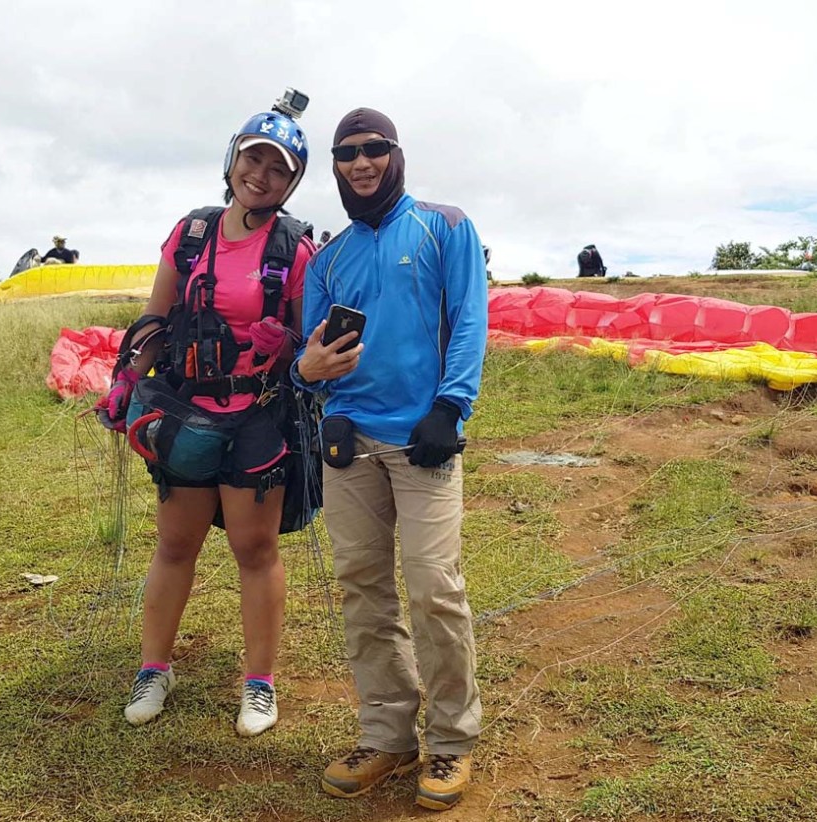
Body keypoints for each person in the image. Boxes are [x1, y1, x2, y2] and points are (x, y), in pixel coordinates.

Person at [291, 108, 487, 811]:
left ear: (395, 154)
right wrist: (314, 381)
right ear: (336, 167)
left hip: (425, 441)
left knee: (435, 587)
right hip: (349, 445)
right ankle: (386, 736)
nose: (361, 162)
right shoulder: (329, 258)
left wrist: (450, 406)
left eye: (374, 149)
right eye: (347, 153)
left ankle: (453, 740)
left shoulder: (445, 227)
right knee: (363, 589)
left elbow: (469, 319)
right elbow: (309, 353)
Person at [98, 104, 314, 738]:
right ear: (232, 160)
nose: (261, 175)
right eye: (253, 158)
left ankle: (259, 684)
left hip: (258, 416)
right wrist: (128, 379)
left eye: (279, 169)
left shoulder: (294, 249)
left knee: (255, 548)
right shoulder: (192, 234)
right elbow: (156, 317)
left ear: (292, 182)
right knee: (175, 544)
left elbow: (307, 342)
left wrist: (288, 345)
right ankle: (154, 669)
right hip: (186, 412)